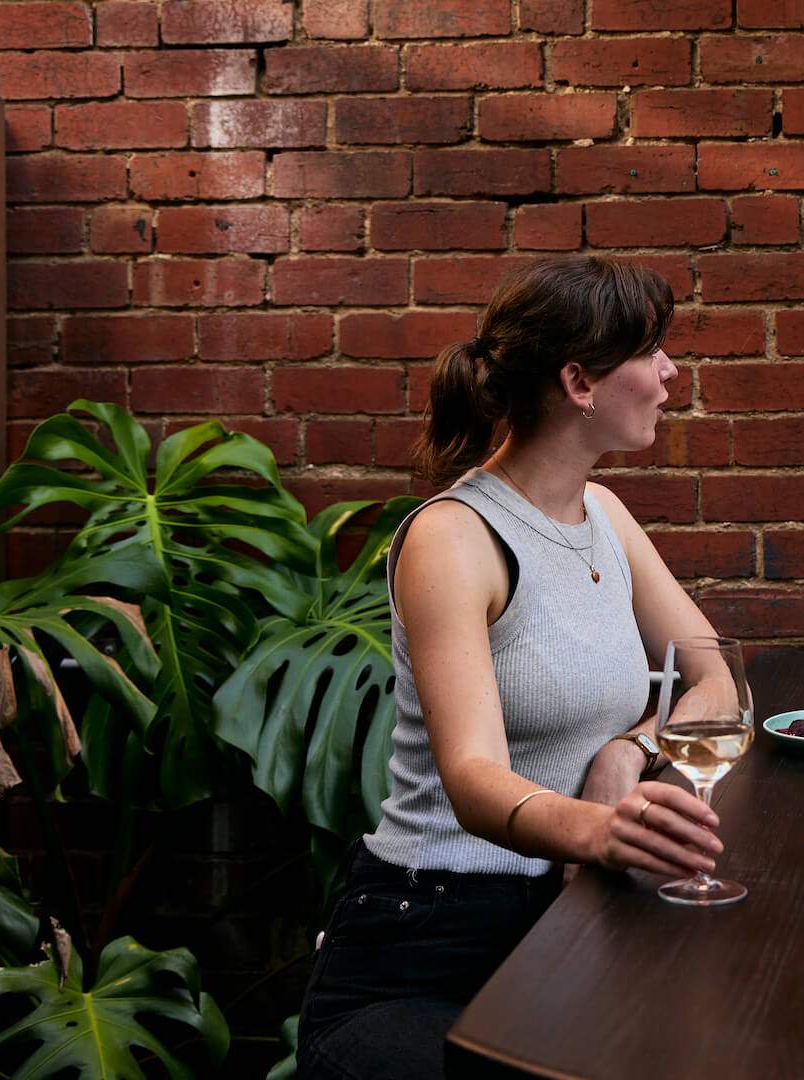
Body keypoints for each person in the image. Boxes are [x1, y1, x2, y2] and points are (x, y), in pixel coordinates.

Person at [299, 256, 732, 1079]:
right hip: (424, 943)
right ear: (579, 381)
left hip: (565, 918)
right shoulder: (453, 537)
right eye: (651, 351)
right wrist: (600, 830)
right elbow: (470, 775)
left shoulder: (604, 513)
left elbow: (715, 676)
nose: (672, 371)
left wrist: (629, 750)